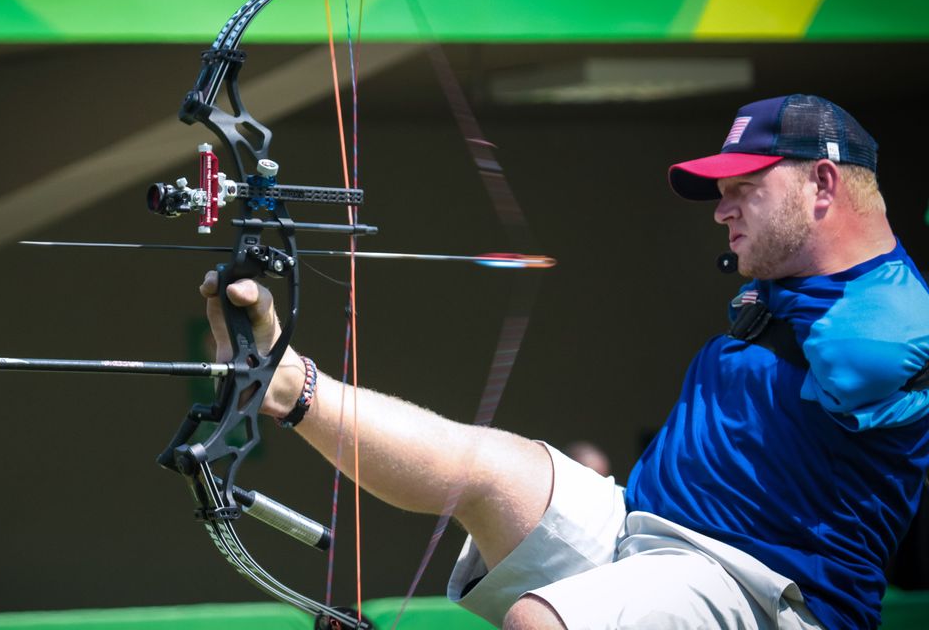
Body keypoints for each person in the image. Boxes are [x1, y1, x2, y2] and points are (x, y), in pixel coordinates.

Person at [199, 94, 929, 629]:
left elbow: (869, 360)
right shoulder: (798, 288)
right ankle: (286, 382)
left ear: (824, 187)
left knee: (545, 624)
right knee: (485, 469)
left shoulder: (889, 315)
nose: (720, 210)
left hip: (759, 590)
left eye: (745, 190)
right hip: (643, 531)